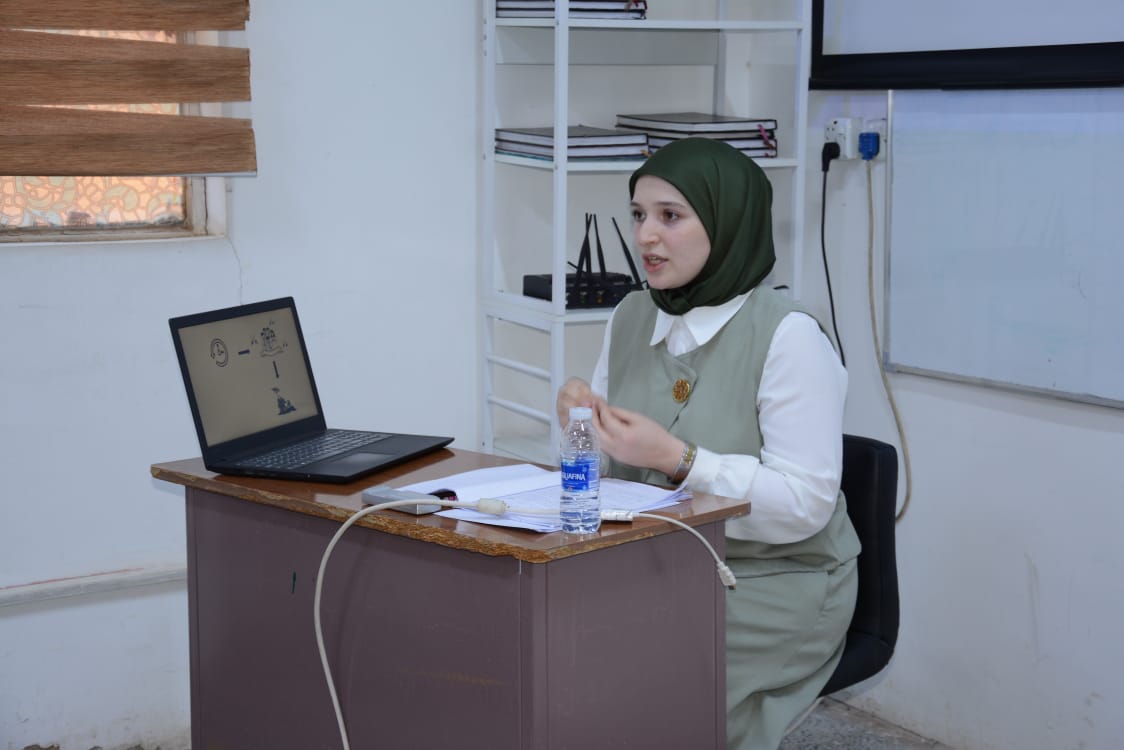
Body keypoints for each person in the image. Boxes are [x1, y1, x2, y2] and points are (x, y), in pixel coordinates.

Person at [555, 137, 860, 750]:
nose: (645, 236)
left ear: (727, 224)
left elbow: (805, 504)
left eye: (671, 216)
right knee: (551, 636)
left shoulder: (789, 336)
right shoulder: (632, 315)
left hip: (773, 579)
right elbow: (609, 470)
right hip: (658, 558)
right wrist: (579, 428)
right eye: (638, 214)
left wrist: (678, 460)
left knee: (637, 671)